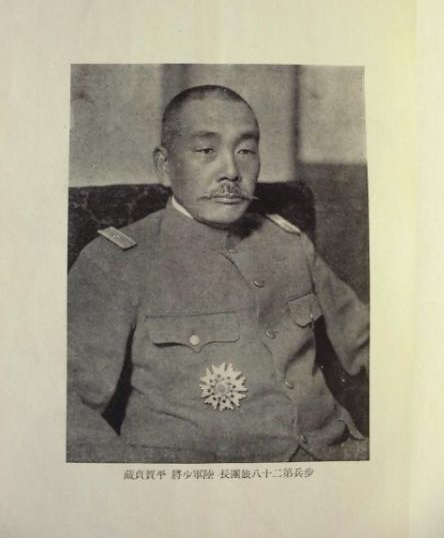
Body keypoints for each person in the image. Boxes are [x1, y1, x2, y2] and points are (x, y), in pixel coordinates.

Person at [67, 84, 369, 463]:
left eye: (246, 151)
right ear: (165, 166)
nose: (231, 171)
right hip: (200, 484)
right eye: (206, 150)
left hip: (333, 461)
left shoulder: (290, 243)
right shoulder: (115, 262)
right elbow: (65, 402)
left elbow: (367, 341)